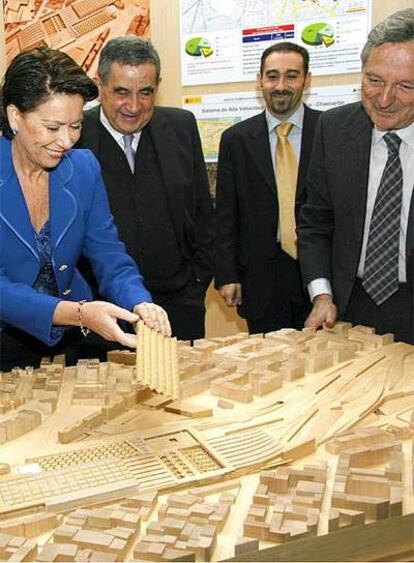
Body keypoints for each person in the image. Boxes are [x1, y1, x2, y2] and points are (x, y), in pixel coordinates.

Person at [0, 46, 171, 371]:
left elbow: (110, 255)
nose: (66, 141)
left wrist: (140, 301)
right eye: (52, 128)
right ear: (14, 117)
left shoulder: (83, 169)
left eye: (76, 126)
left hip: (64, 338)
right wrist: (78, 313)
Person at [77, 36, 214, 342]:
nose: (134, 106)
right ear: (100, 86)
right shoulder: (74, 135)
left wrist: (197, 281)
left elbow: (203, 213)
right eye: (122, 92)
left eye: (146, 93)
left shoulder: (181, 127)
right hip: (100, 312)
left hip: (179, 306)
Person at [298, 9, 414, 344]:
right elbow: (315, 222)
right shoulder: (333, 128)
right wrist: (321, 294)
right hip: (348, 306)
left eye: (405, 86)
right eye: (374, 80)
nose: (384, 98)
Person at [214, 42, 320, 334]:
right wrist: (227, 274)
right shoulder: (235, 139)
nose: (281, 85)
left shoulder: (329, 131)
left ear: (307, 80)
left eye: (292, 75)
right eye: (272, 76)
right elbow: (225, 214)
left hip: (318, 277)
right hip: (260, 279)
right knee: (266, 372)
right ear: (259, 81)